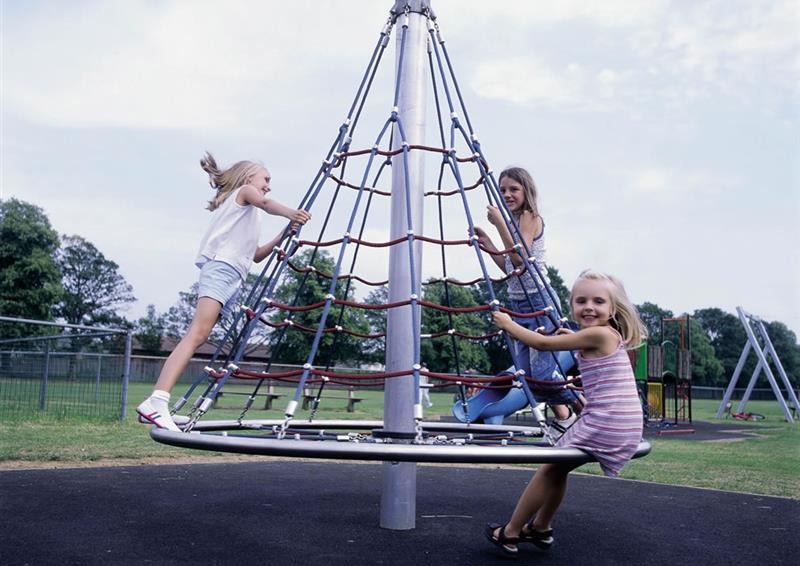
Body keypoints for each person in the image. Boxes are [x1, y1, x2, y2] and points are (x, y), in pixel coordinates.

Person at [136, 152, 311, 431]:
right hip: (221, 269)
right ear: (248, 177)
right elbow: (265, 202)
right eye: (265, 179)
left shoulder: (246, 216)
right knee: (197, 334)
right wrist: (291, 212)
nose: (267, 185)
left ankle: (157, 403)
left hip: (234, 275)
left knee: (199, 336)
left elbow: (255, 255)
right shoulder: (245, 193)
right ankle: (156, 401)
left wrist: (284, 234)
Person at [484, 269, 647, 557]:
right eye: (581, 300)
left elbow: (543, 344)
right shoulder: (603, 337)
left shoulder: (598, 335)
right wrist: (573, 337)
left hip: (607, 421)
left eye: (598, 302)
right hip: (621, 421)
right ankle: (541, 528)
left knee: (548, 467)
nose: (588, 307)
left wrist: (508, 324)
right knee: (559, 467)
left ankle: (510, 531)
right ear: (571, 305)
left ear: (612, 308)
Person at [474, 166, 580, 433]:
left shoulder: (531, 217)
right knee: (527, 376)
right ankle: (565, 417)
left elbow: (521, 257)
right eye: (503, 190)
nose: (507, 194)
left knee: (543, 373)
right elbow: (511, 268)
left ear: (526, 191)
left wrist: (498, 223)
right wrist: (489, 246)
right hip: (519, 303)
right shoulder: (512, 224)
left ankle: (585, 412)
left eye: (513, 189)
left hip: (539, 302)